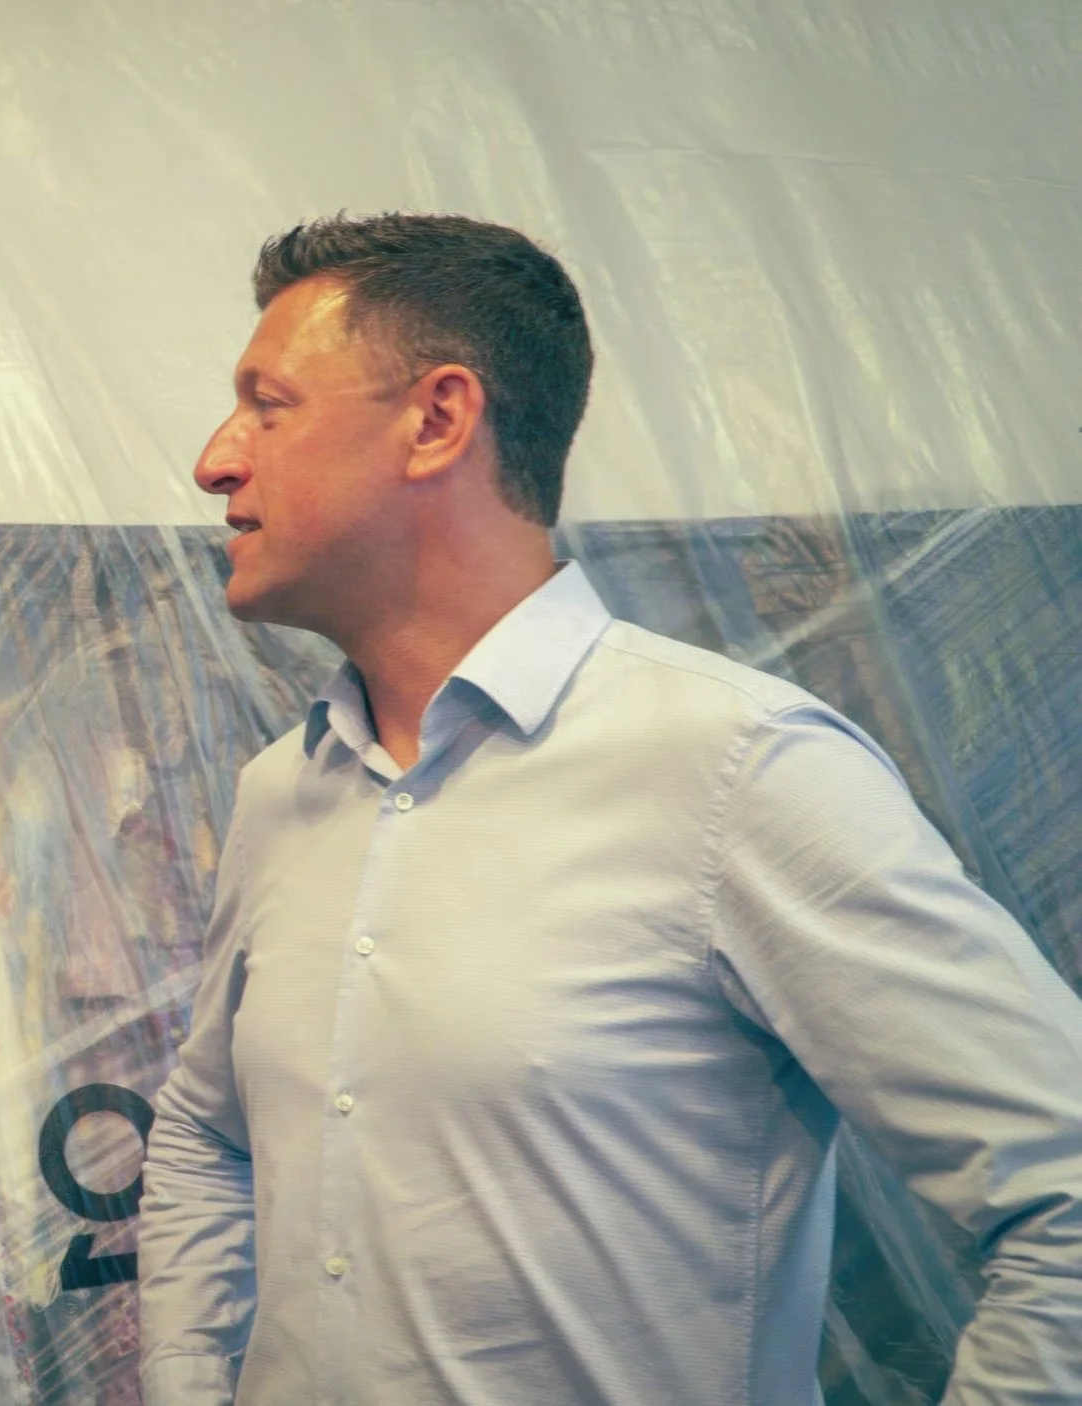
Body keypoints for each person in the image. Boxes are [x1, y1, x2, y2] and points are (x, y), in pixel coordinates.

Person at [135, 211, 1082, 1404]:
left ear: (437, 420)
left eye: (267, 405)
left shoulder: (738, 769)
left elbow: (1062, 1191)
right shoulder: (285, 789)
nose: (216, 459)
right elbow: (207, 1132)